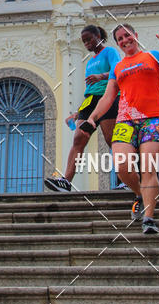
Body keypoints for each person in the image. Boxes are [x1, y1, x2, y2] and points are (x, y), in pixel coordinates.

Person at [85, 24, 159, 234]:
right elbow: (108, 96)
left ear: (135, 35)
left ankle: (148, 218)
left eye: (127, 35)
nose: (124, 40)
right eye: (120, 38)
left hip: (153, 119)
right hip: (126, 120)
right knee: (122, 166)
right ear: (118, 43)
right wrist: (93, 117)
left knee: (148, 167)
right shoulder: (118, 66)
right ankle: (141, 195)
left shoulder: (153, 56)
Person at [45, 25, 121, 193]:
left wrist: (101, 76)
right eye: (84, 41)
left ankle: (124, 180)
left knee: (112, 140)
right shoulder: (91, 61)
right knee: (78, 138)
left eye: (89, 39)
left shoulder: (110, 52)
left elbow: (119, 69)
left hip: (108, 97)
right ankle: (66, 181)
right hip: (90, 101)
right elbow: (90, 90)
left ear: (98, 36)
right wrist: (78, 112)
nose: (86, 43)